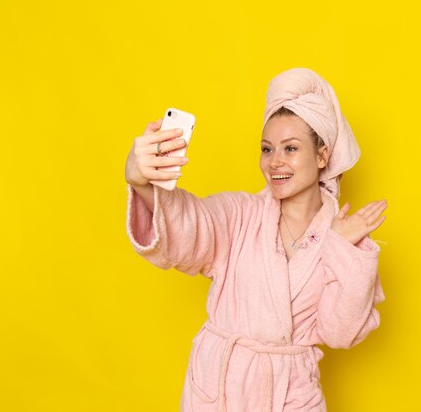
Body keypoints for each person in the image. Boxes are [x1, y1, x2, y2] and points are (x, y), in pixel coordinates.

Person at [124, 67, 387, 412]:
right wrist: (142, 182)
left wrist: (340, 248)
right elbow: (189, 224)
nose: (275, 162)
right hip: (221, 390)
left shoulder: (341, 237)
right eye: (267, 149)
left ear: (322, 156)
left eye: (290, 148)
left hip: (291, 395)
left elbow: (340, 332)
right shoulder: (240, 216)